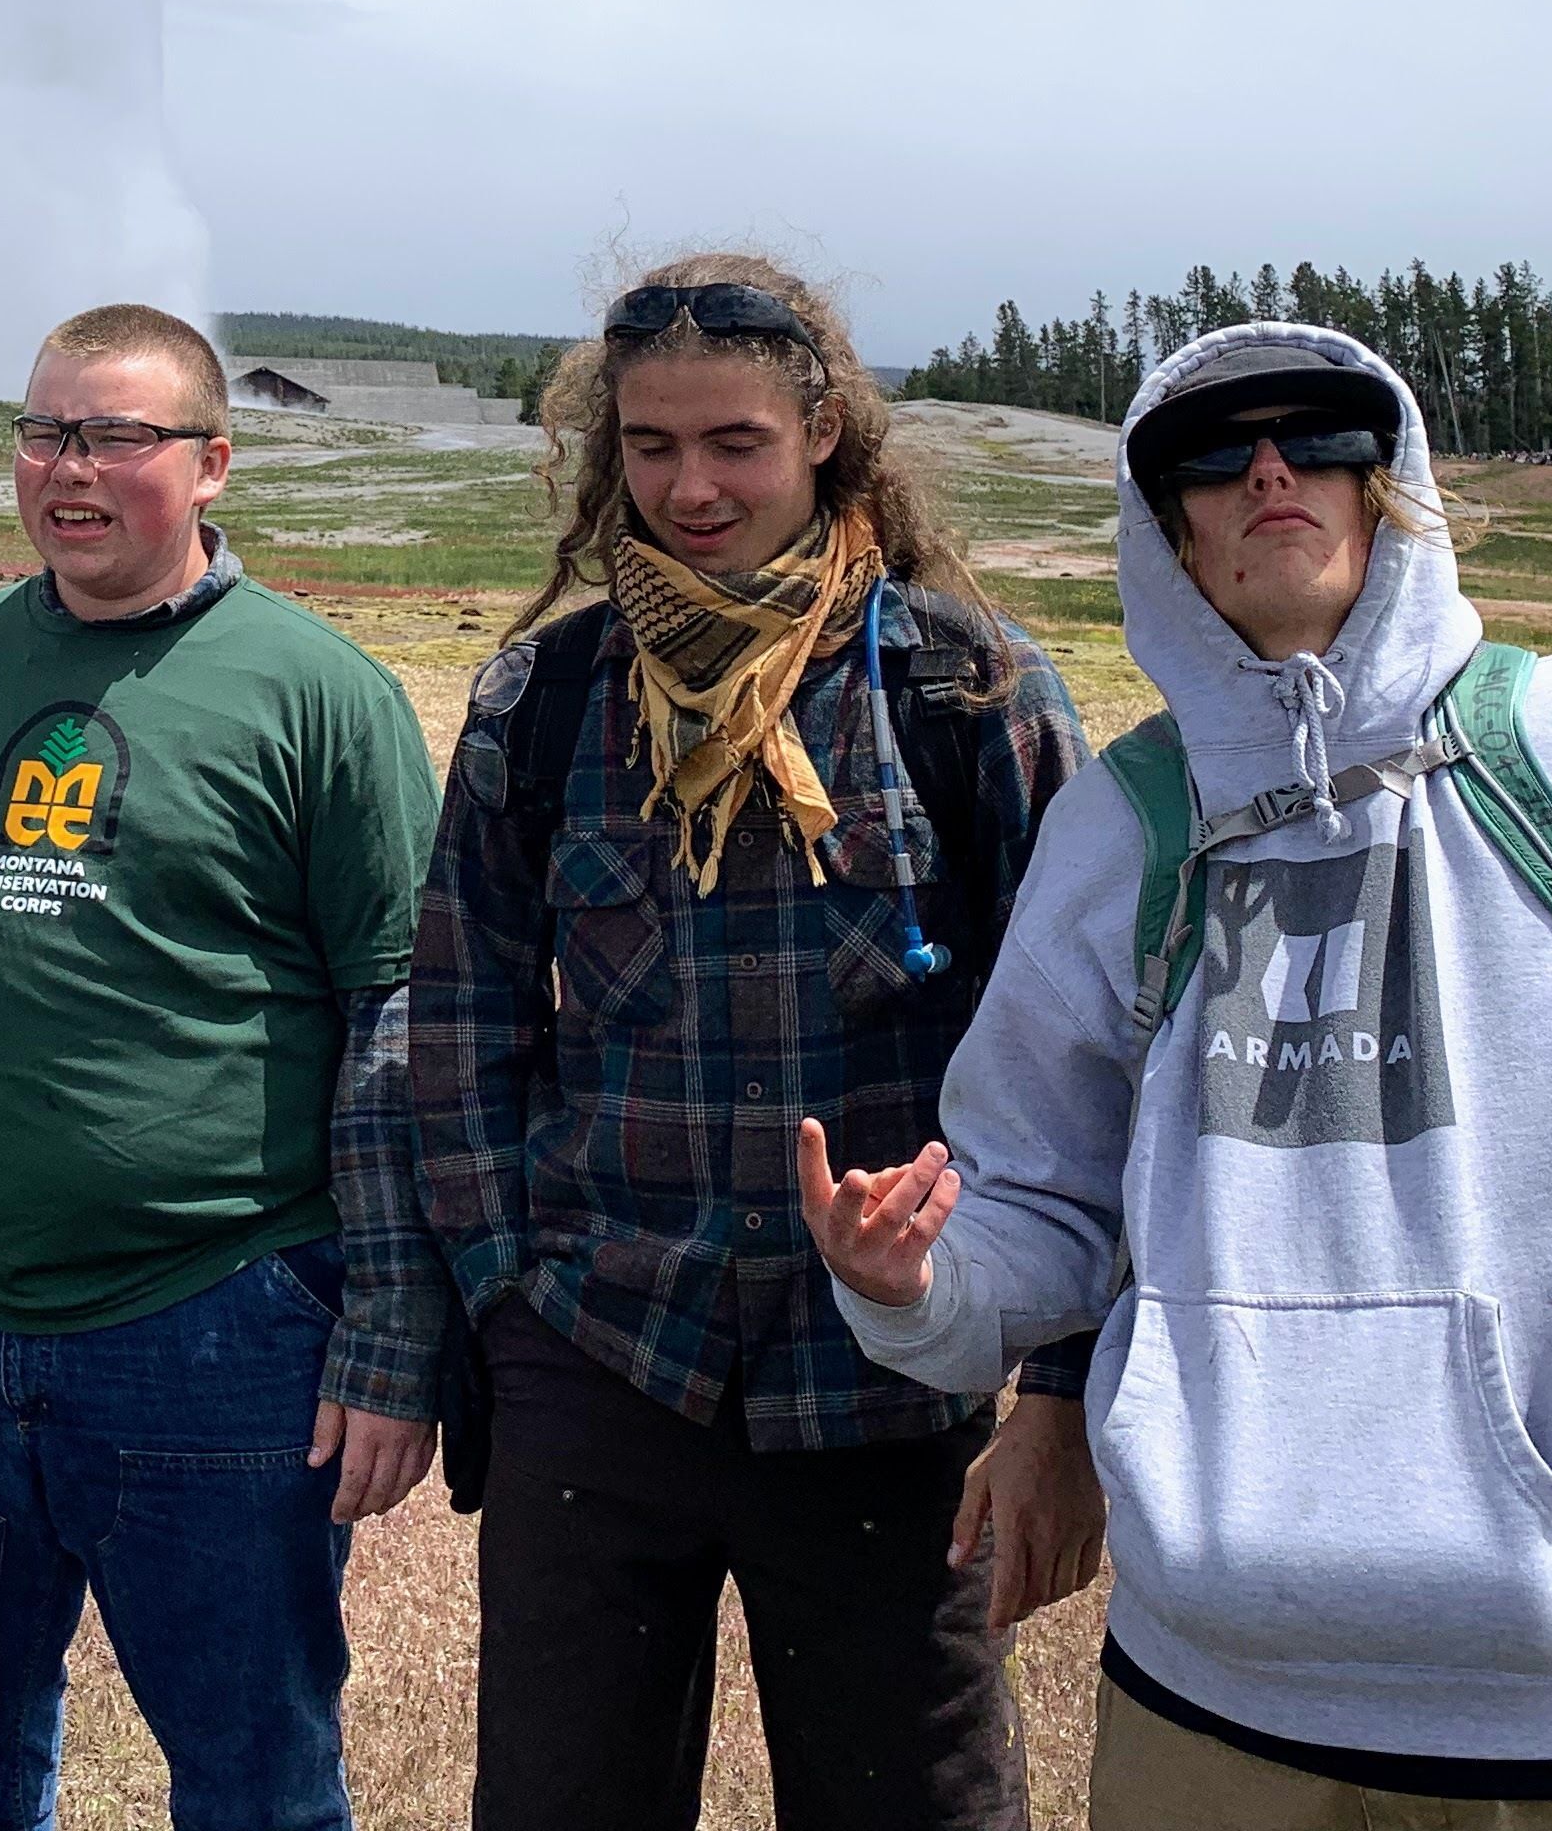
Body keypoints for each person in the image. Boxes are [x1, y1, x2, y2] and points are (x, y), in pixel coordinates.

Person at [813, 322, 1552, 1829]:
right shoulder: (1126, 825)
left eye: (1322, 433)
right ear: (1171, 533)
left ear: (1386, 484)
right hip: (1212, 1698)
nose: (1272, 467)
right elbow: (1039, 1218)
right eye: (1214, 451)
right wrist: (913, 1288)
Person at [0, 302, 442, 1831]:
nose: (73, 469)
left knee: (255, 1775)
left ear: (213, 461)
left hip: (217, 1333)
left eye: (121, 436)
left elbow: (398, 1039)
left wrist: (391, 1337)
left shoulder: (324, 698)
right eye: (47, 432)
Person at [414, 257, 1104, 1831]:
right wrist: (506, 1293)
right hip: (598, 1356)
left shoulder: (966, 691)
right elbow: (455, 1011)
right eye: (651, 448)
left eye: (735, 443)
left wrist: (1055, 1378)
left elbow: (1088, 1060)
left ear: (826, 439)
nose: (692, 486)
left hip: (884, 1379)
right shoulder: (547, 698)